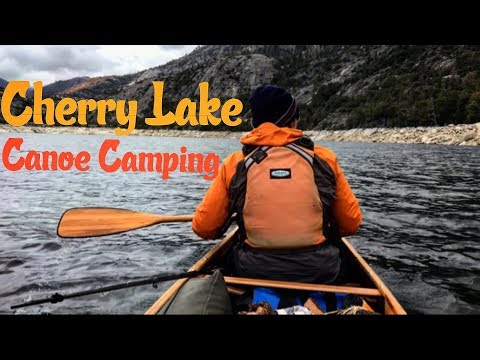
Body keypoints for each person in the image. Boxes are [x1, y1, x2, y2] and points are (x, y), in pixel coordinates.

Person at [192, 84, 362, 284]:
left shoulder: (234, 164)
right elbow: (351, 224)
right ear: (292, 120)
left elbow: (204, 228)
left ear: (255, 123)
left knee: (227, 261)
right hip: (321, 271)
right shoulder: (324, 159)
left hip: (251, 271)